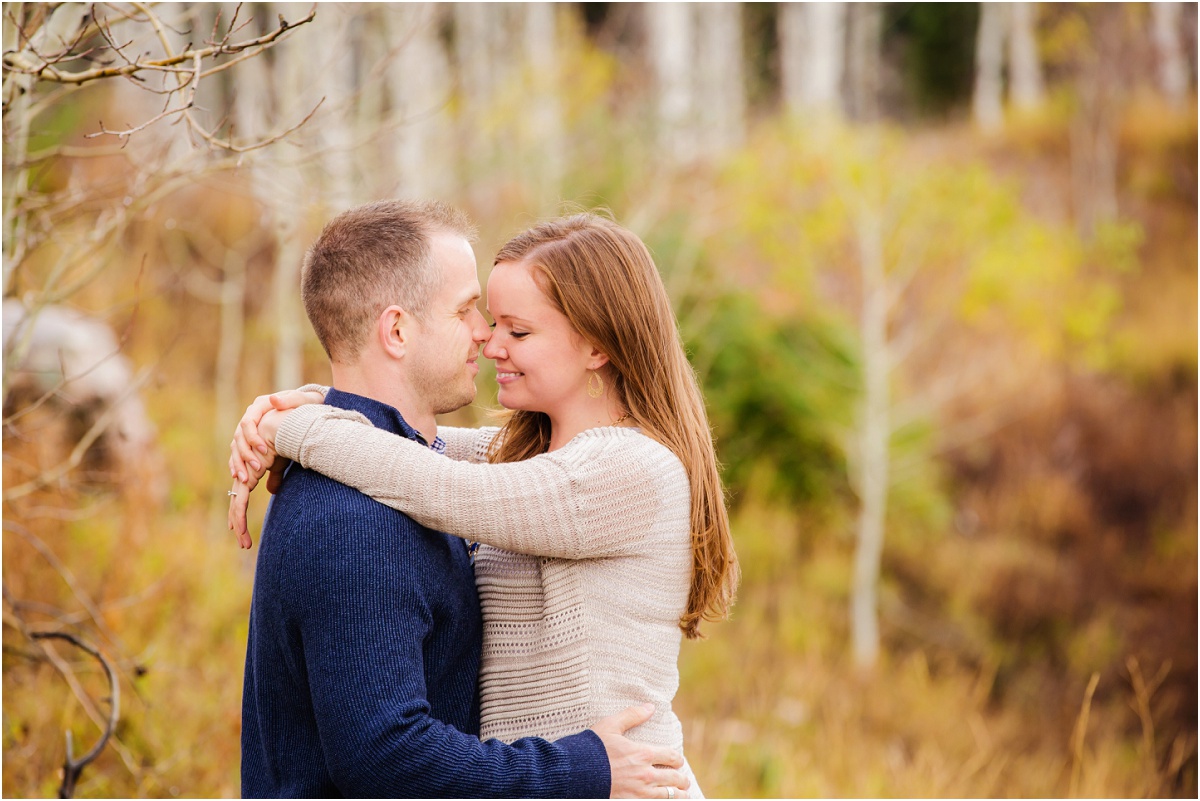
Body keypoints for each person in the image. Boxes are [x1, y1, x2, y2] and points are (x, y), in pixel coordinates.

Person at [231, 212, 739, 798]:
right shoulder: (527, 460)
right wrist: (319, 403)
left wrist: (290, 427)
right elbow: (418, 452)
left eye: (518, 332)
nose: (490, 341)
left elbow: (440, 486)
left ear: (597, 346)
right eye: (485, 319)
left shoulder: (628, 471)